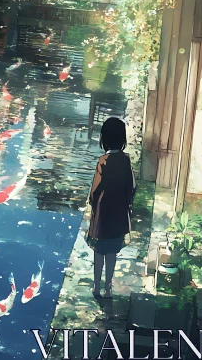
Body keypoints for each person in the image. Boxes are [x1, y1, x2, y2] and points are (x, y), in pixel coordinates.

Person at [85, 117, 136, 299]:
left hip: (102, 214)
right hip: (118, 213)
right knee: (112, 252)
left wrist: (92, 203)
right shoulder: (125, 161)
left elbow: (95, 189)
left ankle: (96, 286)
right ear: (122, 139)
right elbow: (131, 187)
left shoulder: (103, 161)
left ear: (103, 139)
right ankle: (108, 288)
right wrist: (127, 203)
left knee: (99, 251)